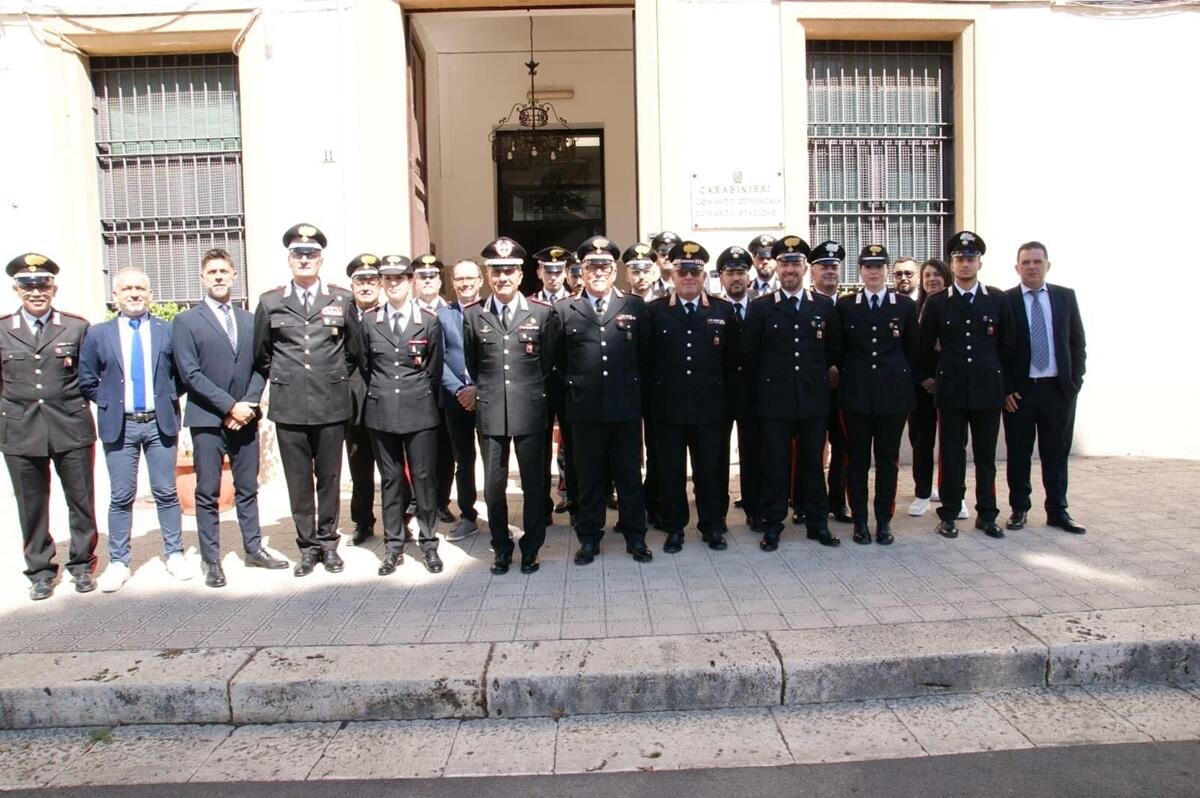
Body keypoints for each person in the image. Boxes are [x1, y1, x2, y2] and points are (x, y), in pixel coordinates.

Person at [171, 248, 287, 587]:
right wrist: (228, 406)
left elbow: (262, 365)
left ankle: (253, 548)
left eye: (224, 271)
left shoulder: (251, 320)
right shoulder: (187, 321)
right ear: (202, 278)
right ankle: (212, 559)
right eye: (212, 272)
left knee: (247, 487)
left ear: (234, 276)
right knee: (207, 491)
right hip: (208, 419)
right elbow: (190, 373)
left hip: (245, 418)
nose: (219, 277)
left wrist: (247, 404)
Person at [252, 223, 360, 576]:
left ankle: (329, 544)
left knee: (329, 478)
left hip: (330, 403)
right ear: (289, 259)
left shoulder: (341, 300)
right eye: (298, 254)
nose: (304, 259)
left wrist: (330, 377)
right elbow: (262, 355)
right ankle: (307, 548)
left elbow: (353, 351)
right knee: (299, 481)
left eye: (311, 254)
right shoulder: (270, 302)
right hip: (290, 405)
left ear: (321, 259)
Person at [79, 267, 185, 592]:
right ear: (115, 297)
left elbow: (181, 374)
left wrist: (165, 398)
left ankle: (175, 553)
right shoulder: (98, 334)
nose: (134, 294)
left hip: (159, 422)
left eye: (140, 288)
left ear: (150, 294)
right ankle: (119, 562)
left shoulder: (167, 330)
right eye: (127, 289)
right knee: (121, 495)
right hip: (120, 426)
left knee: (166, 492)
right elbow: (86, 378)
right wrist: (111, 403)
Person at [1, 253, 99, 600]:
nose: (36, 292)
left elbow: (89, 376)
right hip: (21, 430)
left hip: (70, 425)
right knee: (31, 503)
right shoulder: (2, 329)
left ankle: (82, 563)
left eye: (42, 284)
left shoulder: (75, 327)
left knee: (81, 498)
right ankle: (40, 570)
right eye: (28, 286)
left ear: (53, 287)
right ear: (17, 289)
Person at [555, 235, 653, 565]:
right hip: (583, 410)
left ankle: (635, 536)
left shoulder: (635, 306)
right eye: (591, 266)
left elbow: (646, 356)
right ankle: (589, 538)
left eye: (605, 266)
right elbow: (556, 361)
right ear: (581, 271)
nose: (598, 272)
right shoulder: (564, 309)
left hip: (625, 407)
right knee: (589, 477)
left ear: (615, 271)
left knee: (628, 475)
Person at [465, 237, 560, 574]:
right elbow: (473, 362)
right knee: (493, 486)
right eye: (496, 271)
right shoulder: (473, 315)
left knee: (535, 484)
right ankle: (501, 547)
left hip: (531, 410)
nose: (503, 277)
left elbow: (549, 363)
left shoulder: (542, 313)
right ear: (488, 276)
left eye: (509, 271)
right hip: (491, 410)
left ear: (521, 276)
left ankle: (531, 546)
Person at [741, 235, 842, 550]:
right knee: (776, 465)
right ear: (776, 266)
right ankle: (773, 524)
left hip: (813, 400)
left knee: (813, 464)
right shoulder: (761, 307)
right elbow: (749, 355)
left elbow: (834, 352)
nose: (789, 269)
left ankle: (817, 523)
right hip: (775, 402)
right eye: (784, 263)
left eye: (795, 263)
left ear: (805, 268)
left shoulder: (824, 307)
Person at [646, 241, 738, 552]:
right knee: (671, 473)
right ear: (672, 274)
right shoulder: (655, 312)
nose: (688, 277)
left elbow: (733, 362)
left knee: (710, 472)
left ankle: (712, 525)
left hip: (711, 409)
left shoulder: (722, 310)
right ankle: (675, 528)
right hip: (668, 409)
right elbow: (645, 360)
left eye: (694, 272)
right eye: (682, 271)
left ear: (703, 276)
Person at [917, 230, 1007, 540]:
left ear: (980, 263)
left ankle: (988, 514)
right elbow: (922, 346)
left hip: (987, 389)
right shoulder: (939, 302)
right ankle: (949, 514)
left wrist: (1005, 386)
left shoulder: (997, 299)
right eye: (959, 259)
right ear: (952, 264)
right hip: (952, 389)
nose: (965, 264)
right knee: (951, 454)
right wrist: (928, 378)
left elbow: (1009, 346)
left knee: (985, 456)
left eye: (970, 258)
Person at [358, 254, 445, 574]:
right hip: (382, 411)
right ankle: (394, 545)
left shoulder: (428, 319)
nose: (393, 284)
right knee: (391, 480)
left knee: (423, 478)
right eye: (388, 279)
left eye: (399, 278)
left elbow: (434, 369)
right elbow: (364, 365)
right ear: (381, 282)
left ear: (410, 281)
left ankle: (429, 543)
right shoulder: (369, 321)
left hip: (420, 409)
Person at [835, 245, 919, 545]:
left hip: (892, 397)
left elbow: (913, 352)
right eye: (868, 266)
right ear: (860, 270)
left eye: (879, 266)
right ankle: (860, 520)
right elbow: (838, 350)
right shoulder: (846, 306)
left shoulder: (905, 306)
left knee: (887, 461)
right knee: (856, 462)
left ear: (886, 271)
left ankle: (883, 520)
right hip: (856, 396)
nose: (873, 272)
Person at [1002, 241, 1087, 534]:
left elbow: (1077, 342)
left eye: (1038, 262)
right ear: (1017, 268)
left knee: (1056, 453)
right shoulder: (1007, 300)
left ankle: (1058, 510)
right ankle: (1019, 509)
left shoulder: (1065, 297)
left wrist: (1074, 383)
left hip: (1057, 391)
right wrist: (1006, 389)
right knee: (1018, 453)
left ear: (1047, 265)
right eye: (1026, 262)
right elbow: (999, 350)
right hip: (1020, 394)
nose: (1032, 267)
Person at [907, 258, 962, 518]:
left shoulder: (957, 306)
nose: (932, 279)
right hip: (922, 385)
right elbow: (909, 351)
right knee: (922, 440)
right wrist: (923, 378)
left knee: (952, 442)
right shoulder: (913, 308)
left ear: (946, 277)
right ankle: (922, 492)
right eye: (927, 275)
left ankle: (954, 494)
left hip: (952, 384)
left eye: (937, 275)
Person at [716, 245, 763, 531]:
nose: (736, 278)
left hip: (754, 393)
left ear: (749, 277)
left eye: (741, 272)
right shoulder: (714, 308)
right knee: (716, 457)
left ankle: (755, 509)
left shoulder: (761, 307)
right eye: (730, 272)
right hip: (719, 394)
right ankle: (717, 513)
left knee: (754, 455)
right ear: (721, 277)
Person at [437, 257, 484, 543]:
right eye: (459, 279)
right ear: (453, 283)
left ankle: (500, 515)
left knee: (495, 460)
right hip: (455, 400)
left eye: (470, 278)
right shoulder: (442, 316)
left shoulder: (491, 311)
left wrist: (479, 389)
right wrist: (459, 390)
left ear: (480, 280)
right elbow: (437, 360)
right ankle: (468, 515)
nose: (465, 284)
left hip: (489, 397)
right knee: (463, 460)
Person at [530, 246, 577, 522]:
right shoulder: (529, 303)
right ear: (539, 272)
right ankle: (541, 506)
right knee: (538, 450)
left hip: (570, 386)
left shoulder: (576, 301)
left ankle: (573, 502)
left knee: (574, 449)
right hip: (539, 386)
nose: (553, 276)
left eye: (558, 271)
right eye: (548, 270)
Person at [809, 241, 852, 525]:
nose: (830, 272)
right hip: (811, 389)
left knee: (844, 449)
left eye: (834, 266)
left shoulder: (850, 304)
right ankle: (804, 502)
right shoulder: (805, 303)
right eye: (824, 266)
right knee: (809, 450)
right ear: (811, 272)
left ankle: (838, 502)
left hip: (846, 391)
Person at [412, 255, 457, 526]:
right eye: (422, 276)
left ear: (440, 280)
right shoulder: (406, 310)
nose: (427, 281)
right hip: (414, 392)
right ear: (414, 280)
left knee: (444, 451)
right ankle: (415, 501)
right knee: (415, 454)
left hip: (445, 393)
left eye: (432, 276)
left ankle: (440, 501)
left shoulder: (452, 311)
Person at [345, 254, 382, 546]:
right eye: (360, 281)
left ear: (380, 284)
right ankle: (362, 521)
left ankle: (400, 521)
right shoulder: (340, 312)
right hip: (352, 406)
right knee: (360, 469)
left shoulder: (388, 313)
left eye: (371, 280)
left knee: (393, 468)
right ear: (352, 284)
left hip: (385, 403)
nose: (366, 286)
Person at [649, 231, 680, 297]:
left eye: (672, 253)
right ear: (656, 258)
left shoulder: (689, 288)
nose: (667, 257)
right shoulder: (649, 291)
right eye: (663, 253)